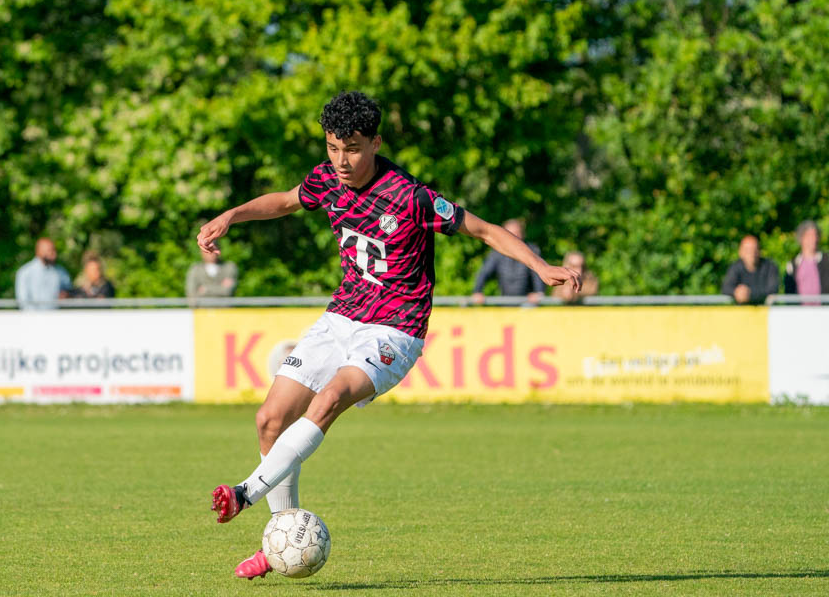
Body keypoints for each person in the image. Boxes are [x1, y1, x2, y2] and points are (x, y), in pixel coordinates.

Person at [197, 91, 580, 579]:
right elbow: (287, 200)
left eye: (353, 148)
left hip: (395, 328)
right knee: (269, 420)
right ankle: (281, 540)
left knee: (332, 396)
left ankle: (245, 492)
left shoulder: (412, 197)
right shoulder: (326, 180)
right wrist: (231, 215)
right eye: (334, 147)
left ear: (376, 142)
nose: (341, 160)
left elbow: (483, 230)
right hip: (342, 315)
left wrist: (540, 265)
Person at [470, 219, 545, 304]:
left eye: (517, 233)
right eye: (510, 234)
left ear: (523, 234)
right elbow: (484, 272)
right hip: (505, 303)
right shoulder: (497, 253)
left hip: (528, 304)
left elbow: (539, 273)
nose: (514, 236)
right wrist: (477, 291)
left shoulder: (532, 251)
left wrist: (538, 293)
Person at [15, 238, 72, 310]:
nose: (54, 254)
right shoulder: (25, 272)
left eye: (54, 250)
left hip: (56, 318)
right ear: (38, 251)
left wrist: (66, 295)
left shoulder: (61, 271)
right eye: (49, 250)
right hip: (33, 318)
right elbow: (23, 302)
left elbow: (68, 291)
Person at [721, 235, 779, 304]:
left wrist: (749, 294)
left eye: (755, 249)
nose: (752, 253)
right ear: (740, 252)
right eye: (747, 250)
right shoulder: (735, 267)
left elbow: (773, 289)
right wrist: (736, 292)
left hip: (765, 312)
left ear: (759, 251)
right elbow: (726, 288)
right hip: (741, 312)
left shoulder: (770, 266)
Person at [784, 220, 829, 298]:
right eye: (809, 235)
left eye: (815, 235)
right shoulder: (792, 264)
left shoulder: (826, 260)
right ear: (801, 238)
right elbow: (789, 291)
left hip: (823, 309)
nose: (813, 239)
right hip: (800, 309)